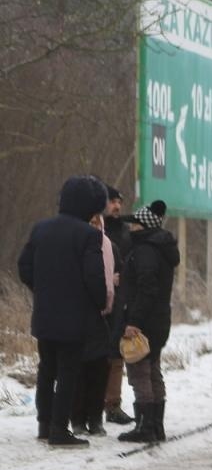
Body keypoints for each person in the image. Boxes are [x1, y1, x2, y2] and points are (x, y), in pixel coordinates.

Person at [17, 175, 109, 448]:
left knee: (46, 369)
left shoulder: (41, 229)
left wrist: (42, 290)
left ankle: (44, 424)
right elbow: (94, 278)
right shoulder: (89, 235)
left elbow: (24, 267)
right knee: (68, 372)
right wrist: (100, 302)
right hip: (74, 317)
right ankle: (60, 429)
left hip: (45, 315)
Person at [119, 201, 179, 444]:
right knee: (153, 370)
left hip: (144, 320)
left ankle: (145, 427)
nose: (130, 228)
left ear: (142, 226)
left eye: (133, 224)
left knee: (140, 372)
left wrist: (133, 320)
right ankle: (156, 426)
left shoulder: (145, 250)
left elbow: (146, 287)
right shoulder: (163, 247)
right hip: (161, 318)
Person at [71, 211, 118, 437]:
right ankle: (78, 418)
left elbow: (108, 278)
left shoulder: (105, 243)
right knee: (78, 369)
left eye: (95, 222)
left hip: (99, 313)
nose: (93, 226)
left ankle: (95, 417)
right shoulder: (75, 241)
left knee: (98, 369)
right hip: (77, 311)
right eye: (89, 221)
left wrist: (106, 305)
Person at [101, 186, 136, 425]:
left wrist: (124, 276)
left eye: (119, 201)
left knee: (116, 353)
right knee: (93, 355)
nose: (117, 206)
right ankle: (90, 405)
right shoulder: (92, 229)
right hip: (95, 301)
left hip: (120, 301)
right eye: (112, 201)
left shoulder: (125, 232)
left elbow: (132, 263)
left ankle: (113, 404)